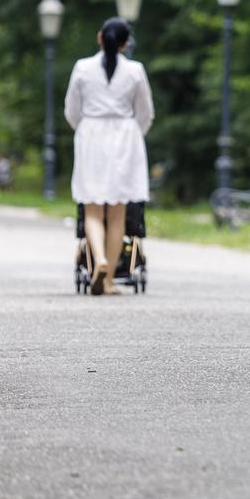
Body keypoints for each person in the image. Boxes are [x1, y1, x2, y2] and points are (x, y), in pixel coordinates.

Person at [65, 18, 154, 296]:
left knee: (92, 208)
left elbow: (71, 110)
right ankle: (109, 279)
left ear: (99, 37)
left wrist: (85, 128)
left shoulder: (82, 68)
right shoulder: (135, 70)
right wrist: (133, 134)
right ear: (126, 43)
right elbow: (145, 112)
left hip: (92, 134)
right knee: (117, 212)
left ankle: (99, 260)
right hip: (123, 137)